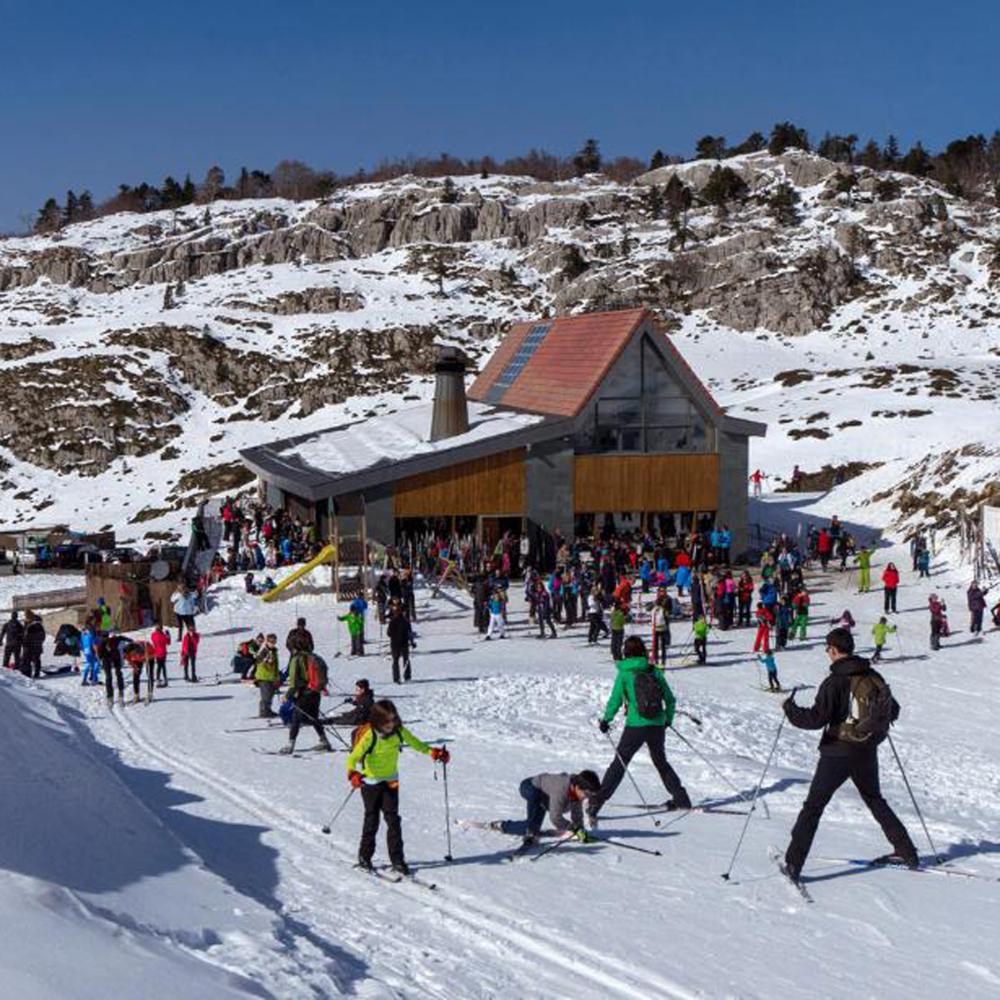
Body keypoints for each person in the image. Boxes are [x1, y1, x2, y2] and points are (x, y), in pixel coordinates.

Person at [781, 628, 917, 881]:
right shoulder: (871, 673)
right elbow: (893, 709)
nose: (827, 653)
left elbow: (815, 719)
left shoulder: (835, 681)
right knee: (874, 798)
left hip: (838, 752)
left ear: (833, 649)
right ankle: (906, 851)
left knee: (813, 807)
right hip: (866, 749)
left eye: (827, 648)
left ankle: (793, 863)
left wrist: (789, 710)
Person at [589, 636, 691, 822]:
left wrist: (606, 719)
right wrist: (667, 719)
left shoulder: (625, 673)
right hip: (657, 724)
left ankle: (596, 802)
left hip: (636, 725)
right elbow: (670, 699)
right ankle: (681, 799)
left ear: (625, 652)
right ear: (643, 650)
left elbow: (616, 700)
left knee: (619, 763)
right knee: (661, 762)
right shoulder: (654, 671)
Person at [346, 699, 450, 874]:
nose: (391, 724)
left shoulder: (399, 732)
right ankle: (365, 857)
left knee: (393, 820)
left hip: (391, 781)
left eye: (393, 719)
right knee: (372, 820)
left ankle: (398, 860)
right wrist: (353, 774)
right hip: (370, 783)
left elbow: (417, 744)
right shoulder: (370, 736)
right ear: (378, 721)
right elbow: (352, 758)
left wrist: (434, 752)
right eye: (387, 721)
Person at [518, 771, 600, 847]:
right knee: (531, 826)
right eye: (586, 794)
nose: (586, 797)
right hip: (529, 787)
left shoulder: (575, 792)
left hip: (543, 795)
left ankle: (532, 830)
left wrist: (580, 831)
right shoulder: (561, 788)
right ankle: (505, 827)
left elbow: (577, 814)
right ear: (578, 786)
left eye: (589, 795)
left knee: (534, 827)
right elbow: (555, 817)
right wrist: (571, 827)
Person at [281, 649, 332, 754]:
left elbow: (295, 681)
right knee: (314, 717)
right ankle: (324, 741)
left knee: (296, 718)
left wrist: (288, 695)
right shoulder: (314, 656)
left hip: (304, 692)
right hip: (315, 691)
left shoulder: (298, 658)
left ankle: (290, 745)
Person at [254, 634, 280, 717]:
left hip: (271, 676)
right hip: (263, 676)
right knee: (266, 695)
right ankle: (263, 712)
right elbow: (258, 660)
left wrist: (277, 676)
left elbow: (275, 665)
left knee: (271, 694)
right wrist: (265, 660)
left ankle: (268, 710)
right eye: (271, 641)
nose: (273, 643)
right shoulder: (264, 650)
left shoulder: (273, 651)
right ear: (267, 641)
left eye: (274, 641)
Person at [387, 604, 412, 683]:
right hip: (403, 642)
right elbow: (409, 632)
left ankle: (396, 677)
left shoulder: (392, 621)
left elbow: (389, 633)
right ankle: (406, 676)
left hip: (395, 643)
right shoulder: (405, 621)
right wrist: (411, 641)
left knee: (396, 660)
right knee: (405, 659)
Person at [20, 611, 45, 679]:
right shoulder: (39, 626)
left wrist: (25, 643)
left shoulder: (31, 626)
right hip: (37, 646)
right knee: (36, 660)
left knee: (28, 660)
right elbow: (43, 637)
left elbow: (26, 637)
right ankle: (36, 673)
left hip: (30, 647)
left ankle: (28, 674)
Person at [149, 621, 171, 687]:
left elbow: (153, 641)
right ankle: (164, 680)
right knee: (163, 666)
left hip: (158, 653)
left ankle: (158, 680)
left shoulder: (154, 634)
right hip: (162, 653)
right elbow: (168, 642)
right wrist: (168, 636)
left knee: (159, 667)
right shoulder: (162, 635)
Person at [651, 595, 671, 666]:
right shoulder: (663, 609)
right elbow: (667, 618)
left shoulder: (654, 610)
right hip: (663, 628)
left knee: (655, 646)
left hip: (655, 629)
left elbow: (652, 619)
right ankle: (663, 661)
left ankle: (656, 660)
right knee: (663, 646)